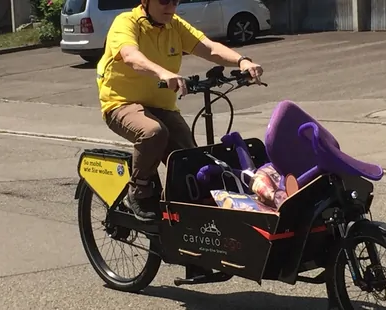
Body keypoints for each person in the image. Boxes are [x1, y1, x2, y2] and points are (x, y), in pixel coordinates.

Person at [96, 0, 264, 221]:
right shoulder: (126, 22)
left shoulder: (174, 25)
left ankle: (174, 217)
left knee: (190, 160)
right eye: (164, 1)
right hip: (121, 103)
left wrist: (242, 61)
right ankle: (138, 191)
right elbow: (130, 56)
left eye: (175, 1)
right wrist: (162, 73)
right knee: (153, 133)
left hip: (161, 105)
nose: (170, 7)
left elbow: (209, 47)